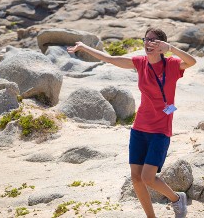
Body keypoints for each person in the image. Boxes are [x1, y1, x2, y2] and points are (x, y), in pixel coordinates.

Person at [70, 28, 197, 218]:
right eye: (146, 40)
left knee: (148, 178)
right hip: (139, 128)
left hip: (161, 129)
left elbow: (192, 62)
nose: (148, 43)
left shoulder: (172, 65)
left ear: (161, 45)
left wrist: (170, 48)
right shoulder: (140, 63)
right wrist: (84, 47)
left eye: (153, 41)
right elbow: (111, 59)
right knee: (137, 179)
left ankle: (177, 199)